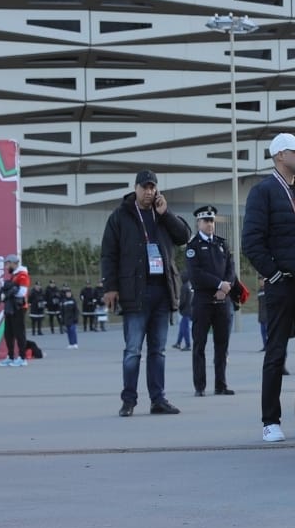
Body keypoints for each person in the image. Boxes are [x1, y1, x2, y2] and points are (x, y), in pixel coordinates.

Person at [242, 134, 295, 440]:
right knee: (276, 353)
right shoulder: (264, 191)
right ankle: (270, 421)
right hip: (282, 283)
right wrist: (273, 274)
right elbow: (251, 241)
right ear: (279, 155)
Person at [101, 169, 190, 417]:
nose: (149, 192)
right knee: (133, 350)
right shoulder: (120, 216)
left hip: (162, 291)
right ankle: (128, 400)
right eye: (145, 187)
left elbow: (184, 236)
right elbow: (108, 254)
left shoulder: (161, 214)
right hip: (134, 293)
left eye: (152, 187)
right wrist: (110, 287)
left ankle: (158, 400)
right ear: (136, 188)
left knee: (158, 351)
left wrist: (166, 214)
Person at [185, 205, 236, 397]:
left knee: (222, 345)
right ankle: (200, 386)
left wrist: (226, 287)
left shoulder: (222, 244)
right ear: (198, 223)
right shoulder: (193, 246)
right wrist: (219, 284)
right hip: (203, 301)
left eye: (212, 221)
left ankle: (220, 384)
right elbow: (195, 274)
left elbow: (231, 269)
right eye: (206, 221)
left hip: (223, 301)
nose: (210, 224)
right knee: (199, 344)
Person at [0, 254, 30, 367]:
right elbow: (11, 289)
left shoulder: (22, 275)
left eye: (7, 264)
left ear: (13, 263)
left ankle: (22, 357)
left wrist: (8, 292)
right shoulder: (14, 276)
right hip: (10, 307)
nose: (6, 267)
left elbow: (21, 293)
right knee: (8, 333)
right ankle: (10, 356)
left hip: (19, 308)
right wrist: (10, 290)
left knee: (19, 333)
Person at [172, 272, 192, 350]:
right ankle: (178, 343)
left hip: (185, 310)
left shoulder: (184, 287)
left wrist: (179, 307)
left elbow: (183, 300)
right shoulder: (189, 286)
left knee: (185, 328)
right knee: (182, 327)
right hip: (190, 309)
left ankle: (188, 345)